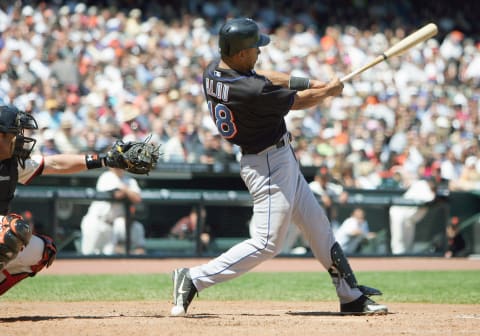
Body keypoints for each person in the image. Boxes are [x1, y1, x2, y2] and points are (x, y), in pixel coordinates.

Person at [171, 18, 387, 316]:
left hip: (275, 158)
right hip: (267, 163)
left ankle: (351, 296)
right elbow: (296, 102)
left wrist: (315, 83)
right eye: (254, 48)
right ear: (241, 52)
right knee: (267, 244)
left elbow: (265, 77)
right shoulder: (250, 91)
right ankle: (194, 278)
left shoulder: (215, 70)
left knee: (318, 227)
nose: (259, 52)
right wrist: (327, 92)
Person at [0, 104, 152, 295]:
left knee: (43, 250)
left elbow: (55, 163)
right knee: (11, 230)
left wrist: (105, 160)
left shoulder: (11, 164)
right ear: (1, 135)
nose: (20, 138)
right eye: (15, 133)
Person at [80, 167, 146, 255]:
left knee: (109, 258)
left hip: (111, 227)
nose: (118, 167)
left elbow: (137, 198)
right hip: (96, 222)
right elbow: (116, 194)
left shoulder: (130, 180)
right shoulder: (106, 177)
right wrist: (128, 191)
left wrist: (124, 190)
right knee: (88, 254)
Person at [389, 177, 437, 254]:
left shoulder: (423, 186)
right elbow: (430, 198)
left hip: (408, 217)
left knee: (408, 242)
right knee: (398, 239)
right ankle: (397, 258)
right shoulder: (422, 185)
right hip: (399, 212)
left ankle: (406, 259)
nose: (434, 186)